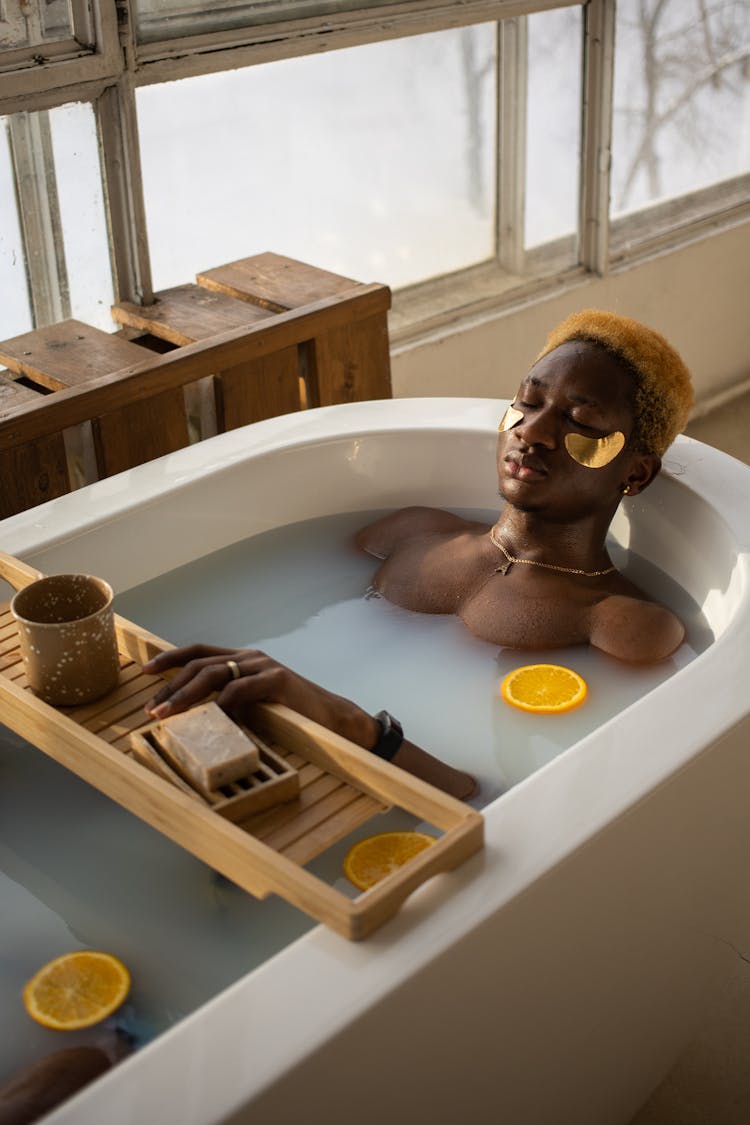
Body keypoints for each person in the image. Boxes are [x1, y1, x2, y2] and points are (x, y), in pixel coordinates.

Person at [144, 309, 694, 800]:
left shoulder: (625, 627)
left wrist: (346, 721)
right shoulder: (408, 532)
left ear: (636, 473)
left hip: (368, 804)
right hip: (224, 759)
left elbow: (517, 808)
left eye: (579, 422)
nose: (534, 431)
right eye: (527, 402)